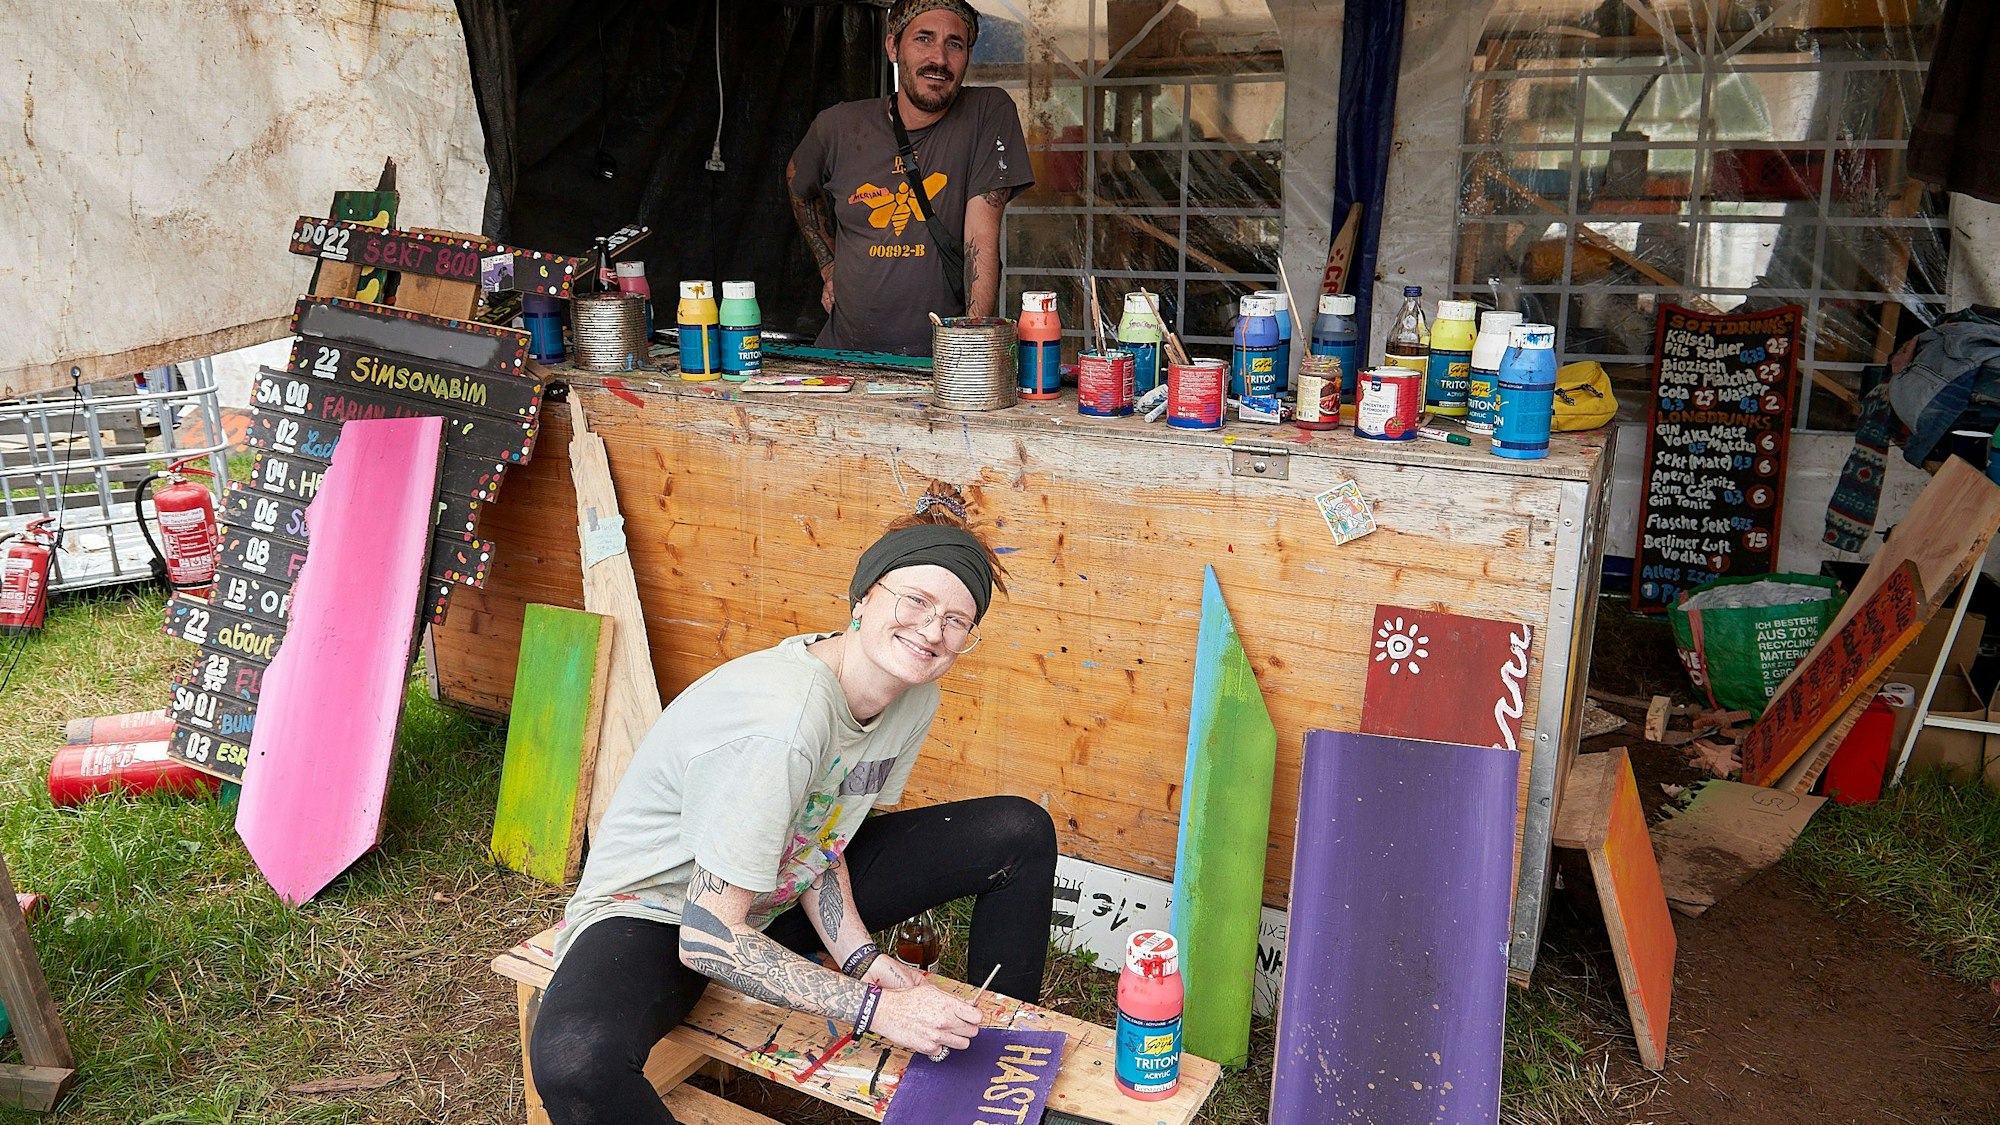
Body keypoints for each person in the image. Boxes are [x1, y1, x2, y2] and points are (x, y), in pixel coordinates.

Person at [529, 486, 1059, 1125]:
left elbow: (822, 833)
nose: (932, 630)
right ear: (863, 598)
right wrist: (877, 1009)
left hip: (769, 891)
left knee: (1017, 832)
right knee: (574, 1063)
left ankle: (991, 1074)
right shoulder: (782, 723)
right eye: (915, 601)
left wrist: (861, 956)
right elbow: (709, 938)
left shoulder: (911, 694)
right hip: (670, 913)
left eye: (956, 619)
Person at [786, 0, 1035, 356]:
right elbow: (798, 182)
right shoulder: (838, 126)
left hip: (938, 362)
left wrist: (970, 347)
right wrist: (828, 264)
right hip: (844, 358)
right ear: (892, 47)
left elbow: (980, 235)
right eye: (923, 39)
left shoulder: (988, 112)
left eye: (955, 44)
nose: (939, 59)